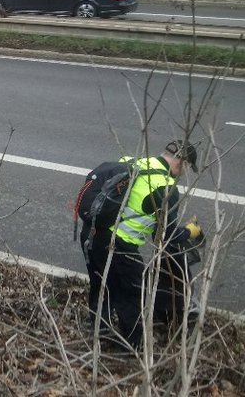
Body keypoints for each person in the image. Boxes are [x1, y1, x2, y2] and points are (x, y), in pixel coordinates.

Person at [85, 140, 203, 348]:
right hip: (118, 245)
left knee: (102, 285)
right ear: (182, 163)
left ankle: (98, 332)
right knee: (132, 295)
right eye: (186, 168)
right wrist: (190, 231)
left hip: (92, 232)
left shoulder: (134, 162)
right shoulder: (164, 187)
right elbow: (167, 235)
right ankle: (131, 347)